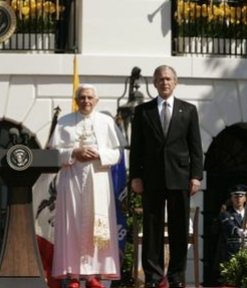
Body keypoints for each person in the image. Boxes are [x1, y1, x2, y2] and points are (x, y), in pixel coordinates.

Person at [129, 65, 203, 288]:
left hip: (180, 177)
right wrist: (136, 176)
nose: (165, 83)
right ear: (154, 83)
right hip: (151, 179)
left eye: (169, 79)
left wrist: (196, 176)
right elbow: (137, 148)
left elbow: (195, 147)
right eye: (160, 79)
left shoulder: (188, 110)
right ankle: (153, 277)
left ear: (175, 82)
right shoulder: (143, 111)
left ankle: (176, 276)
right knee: (152, 228)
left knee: (179, 228)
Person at [49, 84, 125, 288]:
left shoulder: (106, 121)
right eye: (82, 97)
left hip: (98, 179)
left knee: (95, 224)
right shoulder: (64, 122)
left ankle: (94, 275)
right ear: (76, 100)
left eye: (90, 97)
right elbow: (54, 154)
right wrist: (73, 153)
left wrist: (99, 153)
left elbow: (117, 154)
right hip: (71, 179)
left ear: (97, 100)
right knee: (71, 224)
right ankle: (73, 275)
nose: (86, 101)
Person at [218, 184, 247, 263]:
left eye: (241, 196)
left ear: (245, 198)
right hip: (231, 253)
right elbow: (228, 225)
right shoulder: (225, 214)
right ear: (231, 198)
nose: (238, 199)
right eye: (235, 196)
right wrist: (237, 231)